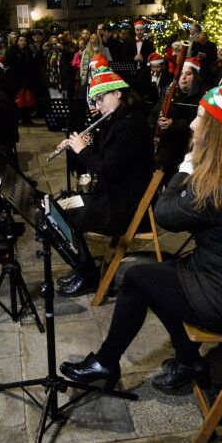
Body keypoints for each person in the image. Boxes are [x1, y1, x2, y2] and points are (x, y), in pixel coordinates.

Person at [60, 80, 222, 390]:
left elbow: (165, 213)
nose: (192, 123)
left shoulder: (218, 183)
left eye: (201, 117)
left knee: (139, 279)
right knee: (155, 277)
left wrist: (188, 165)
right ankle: (185, 359)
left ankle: (110, 363)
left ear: (218, 130)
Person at [55, 68, 155, 297]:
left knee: (59, 216)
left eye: (101, 99)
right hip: (112, 195)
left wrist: (83, 149)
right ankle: (84, 270)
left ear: (118, 93)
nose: (98, 106)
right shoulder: (118, 118)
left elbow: (107, 169)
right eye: (95, 100)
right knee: (57, 209)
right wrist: (85, 144)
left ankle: (87, 275)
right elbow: (103, 158)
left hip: (124, 206)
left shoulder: (132, 124)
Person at [151, 57, 203, 173]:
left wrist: (173, 123)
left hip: (186, 148)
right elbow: (153, 114)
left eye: (188, 74)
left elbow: (197, 125)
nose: (183, 78)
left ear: (195, 77)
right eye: (181, 74)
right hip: (166, 146)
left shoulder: (201, 98)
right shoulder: (171, 93)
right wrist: (158, 121)